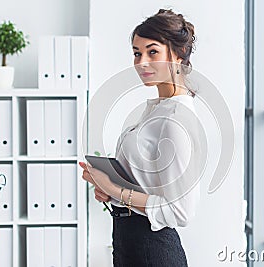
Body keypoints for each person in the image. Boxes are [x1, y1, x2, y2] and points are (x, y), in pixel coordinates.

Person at [79, 8, 202, 267]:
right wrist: (110, 191)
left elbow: (180, 211)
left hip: (153, 251)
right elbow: (149, 184)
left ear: (178, 55)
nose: (141, 62)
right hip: (129, 242)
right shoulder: (158, 108)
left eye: (152, 51)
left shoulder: (177, 118)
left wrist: (115, 189)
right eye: (137, 53)